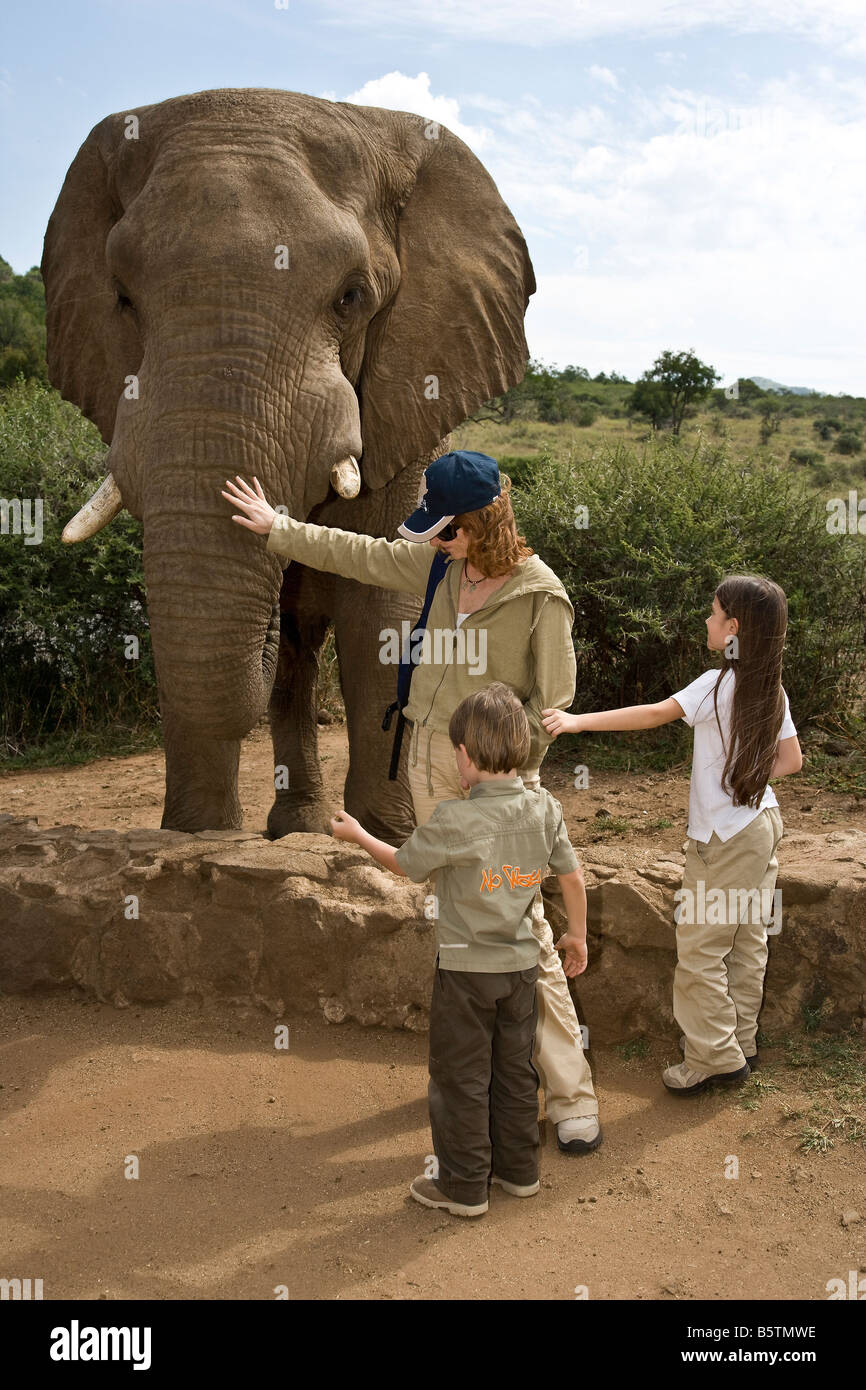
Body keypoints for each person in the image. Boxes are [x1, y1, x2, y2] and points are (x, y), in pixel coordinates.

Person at [221, 451, 603, 1153]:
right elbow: (358, 554)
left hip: (501, 783)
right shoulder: (436, 566)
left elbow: (554, 708)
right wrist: (278, 527)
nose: (433, 542)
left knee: (525, 932)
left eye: (446, 531)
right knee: (456, 921)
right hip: (430, 761)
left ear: (483, 522)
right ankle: (479, 1073)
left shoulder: (541, 597)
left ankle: (572, 1096)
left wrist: (507, 788)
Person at [330, 683, 589, 1217]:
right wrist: (577, 934)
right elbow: (571, 875)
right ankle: (519, 1173)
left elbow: (404, 864)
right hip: (521, 972)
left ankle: (464, 1187)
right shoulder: (545, 810)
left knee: (461, 1078)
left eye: (456, 751)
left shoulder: (454, 819)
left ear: (466, 757)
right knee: (515, 1070)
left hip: (466, 974)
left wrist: (357, 834)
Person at [542, 574, 803, 1096]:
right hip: (763, 825)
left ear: (733, 627)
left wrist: (577, 722)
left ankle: (713, 1059)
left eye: (712, 614)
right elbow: (791, 761)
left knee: (701, 949)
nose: (706, 621)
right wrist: (748, 775)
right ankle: (742, 1041)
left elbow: (654, 714)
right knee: (747, 941)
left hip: (725, 837)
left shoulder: (715, 685)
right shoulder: (770, 686)